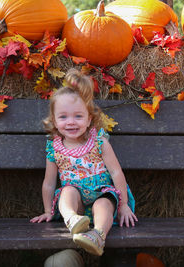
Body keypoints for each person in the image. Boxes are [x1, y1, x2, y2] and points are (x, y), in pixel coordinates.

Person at [30, 68, 137, 256]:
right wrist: (48, 210)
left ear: (89, 119)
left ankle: (98, 235)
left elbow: (116, 173)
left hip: (102, 192)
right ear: (54, 121)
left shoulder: (98, 141)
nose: (71, 122)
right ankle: (72, 220)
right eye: (63, 117)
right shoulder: (54, 148)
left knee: (102, 204)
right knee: (67, 191)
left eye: (78, 116)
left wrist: (124, 205)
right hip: (77, 202)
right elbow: (48, 182)